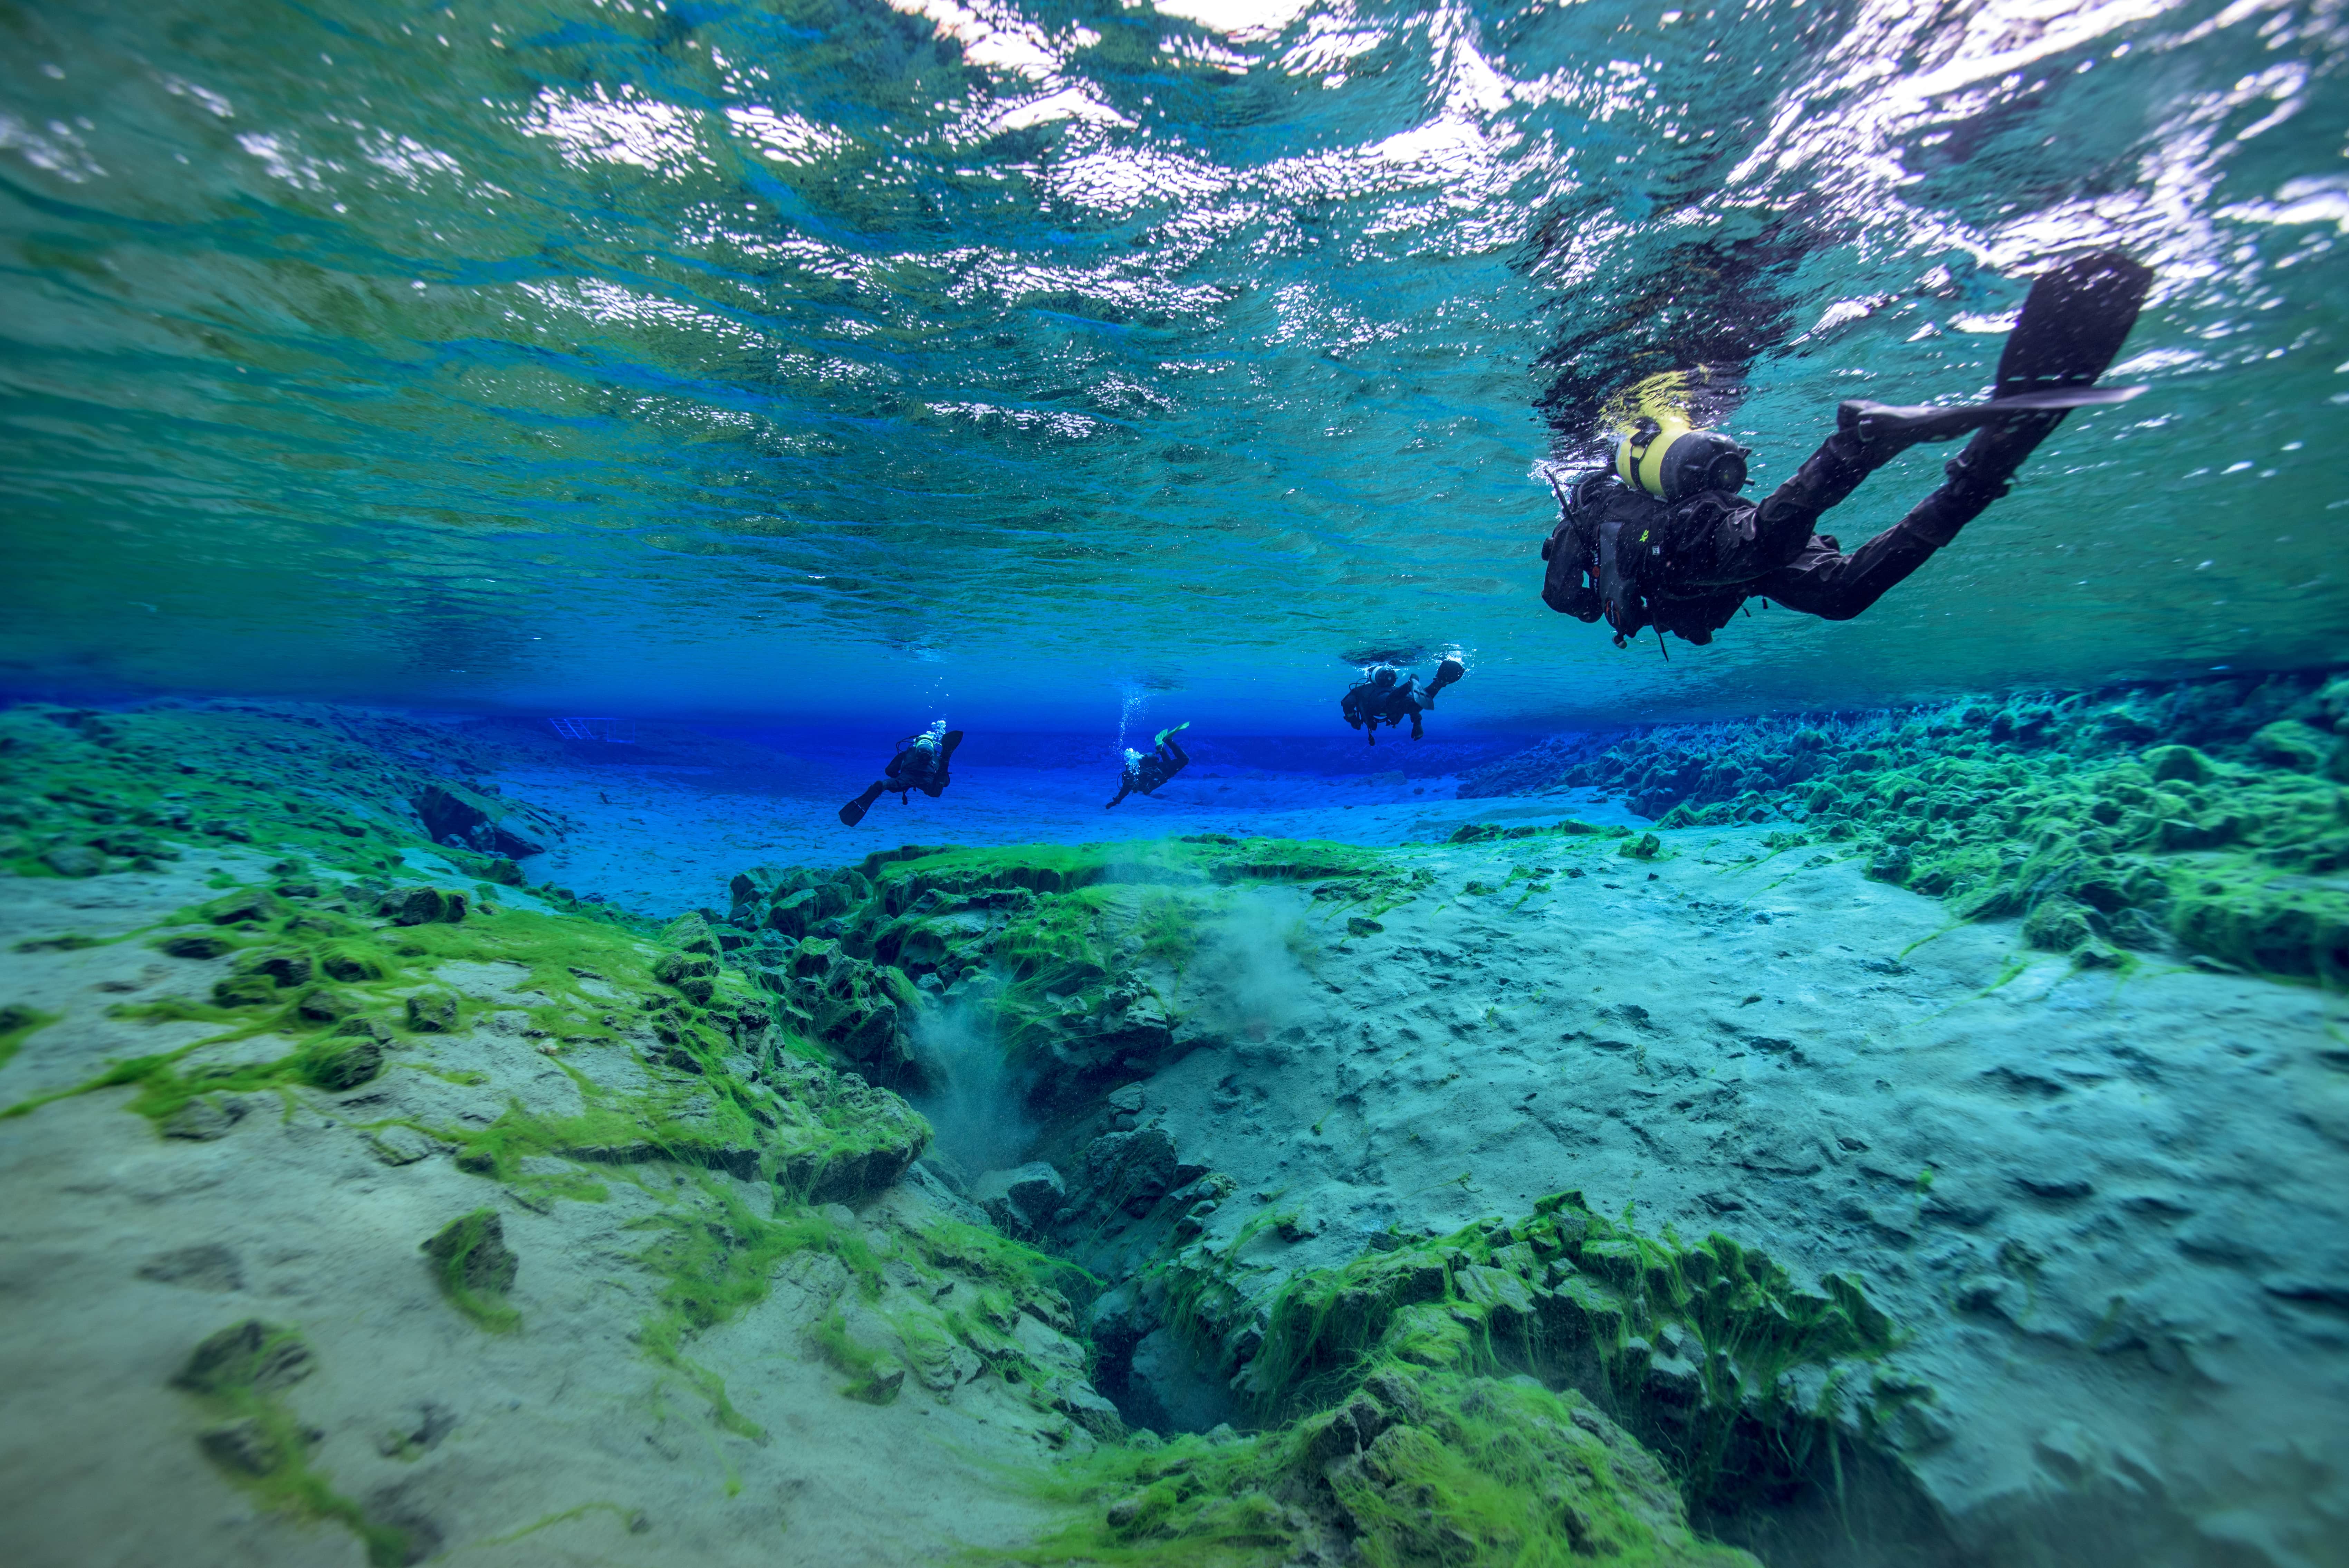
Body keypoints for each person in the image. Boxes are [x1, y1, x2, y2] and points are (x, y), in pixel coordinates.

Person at [1538, 251, 2153, 648]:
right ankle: (1976, 478)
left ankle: (1857, 447)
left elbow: (1562, 598)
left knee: (1772, 547)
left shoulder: (1585, 522)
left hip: (1690, 551)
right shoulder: (1621, 508)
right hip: (1720, 540)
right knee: (1839, 594)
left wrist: (1600, 601)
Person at [839, 721, 962, 826]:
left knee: (893, 785)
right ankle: (947, 756)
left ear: (916, 743)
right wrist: (937, 777)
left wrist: (901, 779)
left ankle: (882, 785)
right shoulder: (936, 757)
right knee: (936, 792)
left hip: (907, 776)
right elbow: (946, 782)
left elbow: (889, 771)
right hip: (928, 779)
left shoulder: (907, 753)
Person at [1341, 658, 1466, 745]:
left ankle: (1410, 685)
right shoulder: (1392, 688)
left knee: (1390, 704)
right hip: (1396, 695)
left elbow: (1346, 703)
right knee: (1414, 705)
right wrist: (1417, 724)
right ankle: (1439, 683)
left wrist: (1353, 721)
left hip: (1383, 702)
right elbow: (1416, 706)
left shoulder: (1362, 690)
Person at [1106, 723, 1190, 809]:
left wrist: (1151, 786)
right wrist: (1116, 802)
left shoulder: (1139, 784)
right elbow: (1123, 793)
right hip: (1160, 768)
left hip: (1164, 771)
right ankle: (1160, 747)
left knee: (1184, 760)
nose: (1134, 786)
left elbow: (1155, 781)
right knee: (1168, 764)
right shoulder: (1131, 780)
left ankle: (1168, 740)